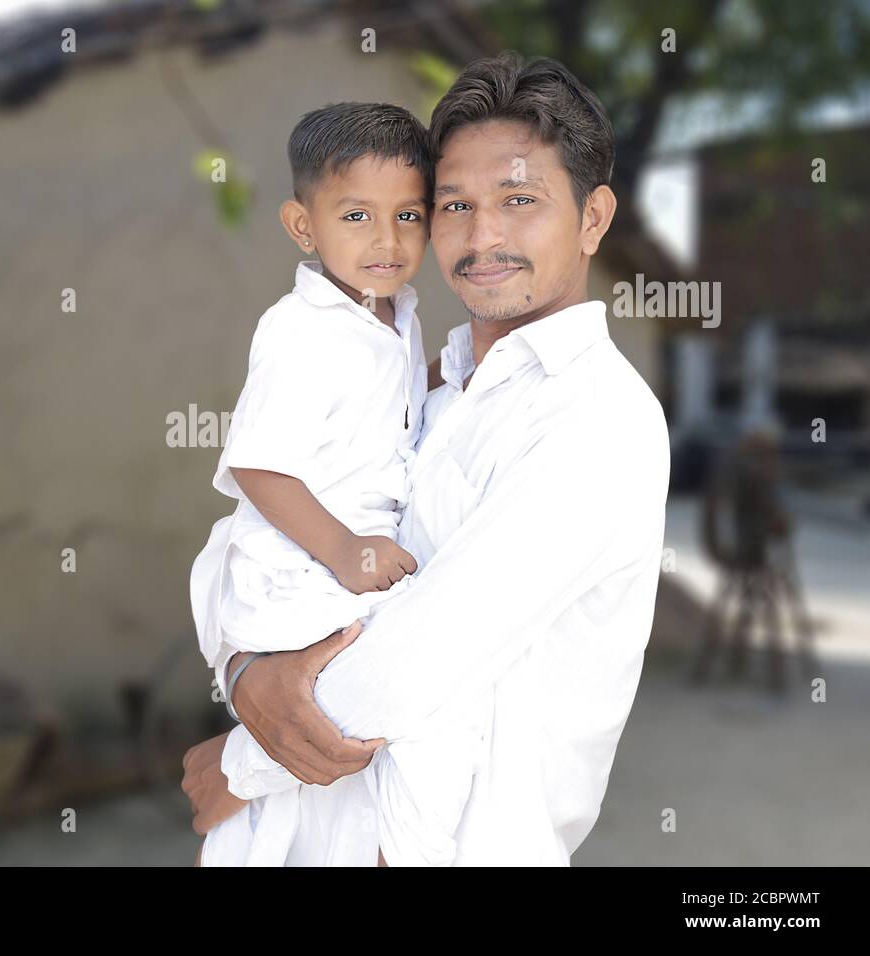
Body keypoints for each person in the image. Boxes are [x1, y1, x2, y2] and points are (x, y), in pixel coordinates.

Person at [183, 52, 671, 866]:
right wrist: (241, 671)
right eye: (455, 205)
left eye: (521, 200)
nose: (484, 237)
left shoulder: (599, 418)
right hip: (304, 836)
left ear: (593, 218)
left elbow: (419, 657)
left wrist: (239, 764)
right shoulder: (423, 390)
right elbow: (247, 543)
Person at [188, 102, 494, 866]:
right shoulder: (302, 330)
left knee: (341, 777)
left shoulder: (395, 312)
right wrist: (345, 550)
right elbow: (259, 463)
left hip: (348, 559)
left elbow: (384, 404)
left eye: (408, 216)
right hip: (302, 560)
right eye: (356, 215)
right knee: (394, 712)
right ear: (303, 226)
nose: (387, 242)